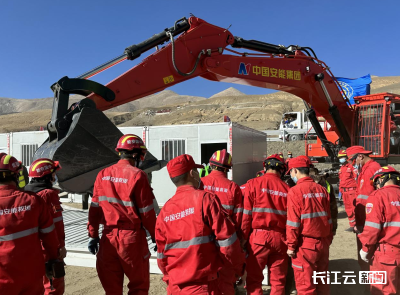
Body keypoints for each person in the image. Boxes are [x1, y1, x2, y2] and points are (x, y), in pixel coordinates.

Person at [155, 154, 246, 295]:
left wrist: (170, 278)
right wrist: (239, 270)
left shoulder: (165, 210)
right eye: (196, 171)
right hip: (203, 286)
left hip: (176, 287)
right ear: (192, 173)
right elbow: (228, 243)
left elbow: (161, 256)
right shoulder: (205, 199)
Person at [87, 134, 157, 295]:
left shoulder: (102, 174)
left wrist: (93, 235)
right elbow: (147, 213)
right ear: (135, 154)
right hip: (131, 240)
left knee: (111, 290)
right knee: (138, 287)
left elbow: (94, 209)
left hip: (107, 239)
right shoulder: (138, 175)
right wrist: (156, 236)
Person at [0, 154, 60, 294]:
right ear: (16, 175)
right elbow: (49, 237)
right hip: (31, 275)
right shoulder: (34, 201)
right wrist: (53, 259)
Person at [242, 154, 289, 295]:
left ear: (265, 166)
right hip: (281, 239)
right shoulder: (287, 189)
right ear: (282, 170)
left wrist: (243, 239)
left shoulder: (253, 184)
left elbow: (246, 216)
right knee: (278, 280)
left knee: (254, 279)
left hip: (258, 238)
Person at [286, 157, 333, 295]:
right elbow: (329, 219)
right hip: (323, 243)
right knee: (322, 282)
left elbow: (293, 224)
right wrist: (327, 239)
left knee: (306, 286)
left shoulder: (295, 191)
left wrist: (291, 246)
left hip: (305, 245)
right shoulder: (322, 190)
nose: (291, 176)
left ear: (295, 171)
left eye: (291, 173)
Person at [201, 149, 244, 294]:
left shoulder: (200, 183)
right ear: (228, 168)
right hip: (226, 240)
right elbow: (238, 218)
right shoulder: (233, 187)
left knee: (205, 278)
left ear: (211, 165)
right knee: (226, 278)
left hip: (203, 239)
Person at [25, 158, 66, 295]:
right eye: (53, 174)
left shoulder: (25, 194)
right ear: (47, 176)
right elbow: (57, 225)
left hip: (31, 248)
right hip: (49, 249)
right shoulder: (49, 195)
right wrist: (60, 247)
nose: (55, 177)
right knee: (53, 286)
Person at [358, 166, 400, 295]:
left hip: (387, 255)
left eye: (376, 183)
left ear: (381, 179)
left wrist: (365, 249)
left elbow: (372, 229)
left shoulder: (378, 196)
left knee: (382, 291)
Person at [346, 145, 381, 274]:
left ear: (360, 156)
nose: (352, 165)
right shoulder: (365, 170)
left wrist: (362, 223)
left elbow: (368, 200)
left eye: (353, 161)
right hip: (363, 219)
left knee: (369, 255)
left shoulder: (372, 169)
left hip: (368, 220)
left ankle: (371, 286)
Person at [309, 167, 338, 236]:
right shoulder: (326, 184)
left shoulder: (299, 186)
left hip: (308, 229)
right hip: (324, 225)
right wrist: (333, 228)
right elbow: (333, 209)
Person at [337, 149, 357, 230]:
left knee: (354, 208)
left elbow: (357, 179)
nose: (340, 159)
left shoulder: (352, 167)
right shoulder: (341, 168)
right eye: (339, 157)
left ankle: (357, 225)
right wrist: (340, 192)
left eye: (342, 157)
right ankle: (352, 225)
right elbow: (341, 181)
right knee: (348, 209)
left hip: (352, 191)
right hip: (344, 192)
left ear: (346, 157)